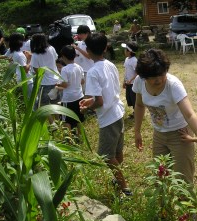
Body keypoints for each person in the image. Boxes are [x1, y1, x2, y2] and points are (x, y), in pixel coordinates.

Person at [132, 48, 197, 185]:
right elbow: (139, 105)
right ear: (144, 76)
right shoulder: (139, 82)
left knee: (183, 179)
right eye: (153, 77)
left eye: (162, 74)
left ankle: (186, 205)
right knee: (160, 176)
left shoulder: (173, 85)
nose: (159, 79)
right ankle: (166, 206)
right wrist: (137, 131)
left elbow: (189, 114)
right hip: (158, 134)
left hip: (180, 135)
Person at [79, 33, 131, 196]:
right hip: (117, 111)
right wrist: (90, 102)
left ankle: (124, 187)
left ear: (87, 50)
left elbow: (99, 102)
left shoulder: (93, 72)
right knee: (116, 151)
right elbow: (107, 92)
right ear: (105, 48)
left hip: (108, 117)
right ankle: (118, 178)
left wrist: (88, 107)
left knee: (106, 156)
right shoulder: (110, 64)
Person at [0, 32, 33, 97]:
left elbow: (5, 56)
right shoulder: (20, 55)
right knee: (31, 101)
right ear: (20, 42)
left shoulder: (13, 51)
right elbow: (26, 70)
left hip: (20, 79)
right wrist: (29, 59)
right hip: (27, 81)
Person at [30, 33, 60, 120]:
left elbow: (37, 71)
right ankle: (58, 122)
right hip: (56, 80)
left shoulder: (35, 55)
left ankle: (53, 124)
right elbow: (55, 58)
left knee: (44, 105)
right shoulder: (51, 48)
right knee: (55, 103)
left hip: (45, 83)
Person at [56, 45, 85, 135]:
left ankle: (69, 139)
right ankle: (80, 136)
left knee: (66, 120)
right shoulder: (79, 67)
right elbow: (82, 81)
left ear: (64, 56)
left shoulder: (65, 69)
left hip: (68, 98)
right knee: (78, 118)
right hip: (79, 96)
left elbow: (65, 84)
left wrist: (57, 84)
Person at [72, 25, 94, 91]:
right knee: (83, 90)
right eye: (78, 34)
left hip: (89, 69)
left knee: (88, 91)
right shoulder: (80, 43)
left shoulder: (91, 42)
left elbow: (89, 56)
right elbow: (77, 55)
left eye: (81, 34)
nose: (79, 36)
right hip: (81, 70)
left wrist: (78, 48)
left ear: (87, 33)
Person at [121, 42, 138, 119]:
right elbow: (126, 71)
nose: (124, 51)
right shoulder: (127, 59)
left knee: (134, 98)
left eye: (125, 49)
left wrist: (131, 80)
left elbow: (138, 72)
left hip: (133, 83)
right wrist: (124, 81)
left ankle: (137, 113)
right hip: (128, 83)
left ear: (129, 51)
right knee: (130, 98)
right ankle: (135, 112)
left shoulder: (134, 60)